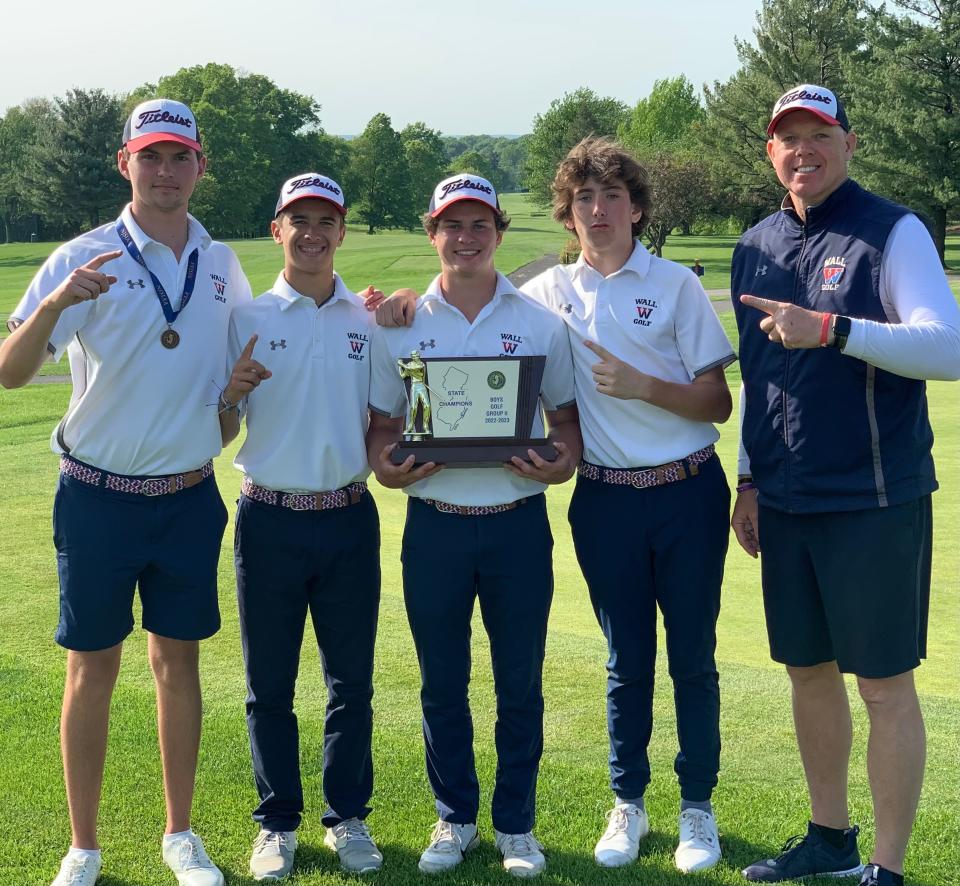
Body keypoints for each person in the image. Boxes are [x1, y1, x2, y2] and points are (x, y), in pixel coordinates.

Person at [370, 139, 736, 874]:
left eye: (611, 197)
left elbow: (716, 403)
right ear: (567, 215)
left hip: (682, 492)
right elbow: (400, 410)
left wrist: (638, 389)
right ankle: (620, 804)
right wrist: (387, 303)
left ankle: (694, 808)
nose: (598, 211)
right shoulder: (542, 296)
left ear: (636, 206)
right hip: (597, 502)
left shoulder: (669, 287)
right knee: (623, 663)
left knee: (689, 660)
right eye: (583, 200)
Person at [0, 98, 252, 886]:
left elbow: (241, 367)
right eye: (151, 157)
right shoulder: (87, 256)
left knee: (179, 666)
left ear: (200, 165)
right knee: (92, 669)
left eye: (180, 157)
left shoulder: (221, 262)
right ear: (126, 164)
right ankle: (84, 845)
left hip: (187, 497)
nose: (166, 172)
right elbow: (9, 372)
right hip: (98, 497)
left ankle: (181, 834)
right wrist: (52, 305)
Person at [731, 84, 960, 886]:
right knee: (807, 673)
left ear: (849, 143)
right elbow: (761, 379)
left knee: (885, 687)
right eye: (788, 139)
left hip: (874, 498)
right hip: (785, 500)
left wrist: (832, 329)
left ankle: (886, 869)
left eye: (818, 135)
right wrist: (748, 480)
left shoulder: (893, 231)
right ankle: (828, 836)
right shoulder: (755, 242)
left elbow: (947, 348)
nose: (803, 150)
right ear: (770, 153)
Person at [366, 173, 580, 878]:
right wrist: (385, 465)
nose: (465, 238)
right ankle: (454, 817)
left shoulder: (541, 323)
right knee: (442, 682)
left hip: (518, 523)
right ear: (432, 231)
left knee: (519, 681)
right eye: (452, 225)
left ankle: (516, 824)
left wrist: (558, 464)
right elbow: (385, 426)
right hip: (436, 526)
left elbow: (566, 425)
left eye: (479, 225)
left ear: (498, 233)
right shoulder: (399, 320)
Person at [219, 173, 383, 880]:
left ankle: (347, 818)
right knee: (270, 684)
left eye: (325, 220)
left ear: (342, 231)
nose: (312, 232)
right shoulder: (246, 318)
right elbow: (219, 430)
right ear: (275, 230)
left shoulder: (365, 320)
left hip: (348, 516)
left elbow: (386, 419)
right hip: (269, 518)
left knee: (351, 683)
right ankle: (277, 823)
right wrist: (231, 393)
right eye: (298, 220)